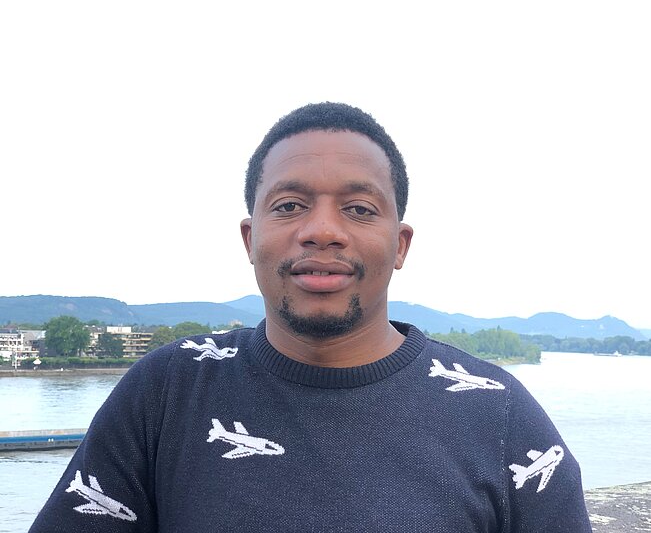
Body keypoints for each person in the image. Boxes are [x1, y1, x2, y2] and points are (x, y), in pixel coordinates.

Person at [30, 102, 592, 532]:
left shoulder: (499, 414)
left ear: (400, 245)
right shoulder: (166, 391)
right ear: (250, 238)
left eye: (359, 209)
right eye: (289, 206)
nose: (322, 230)